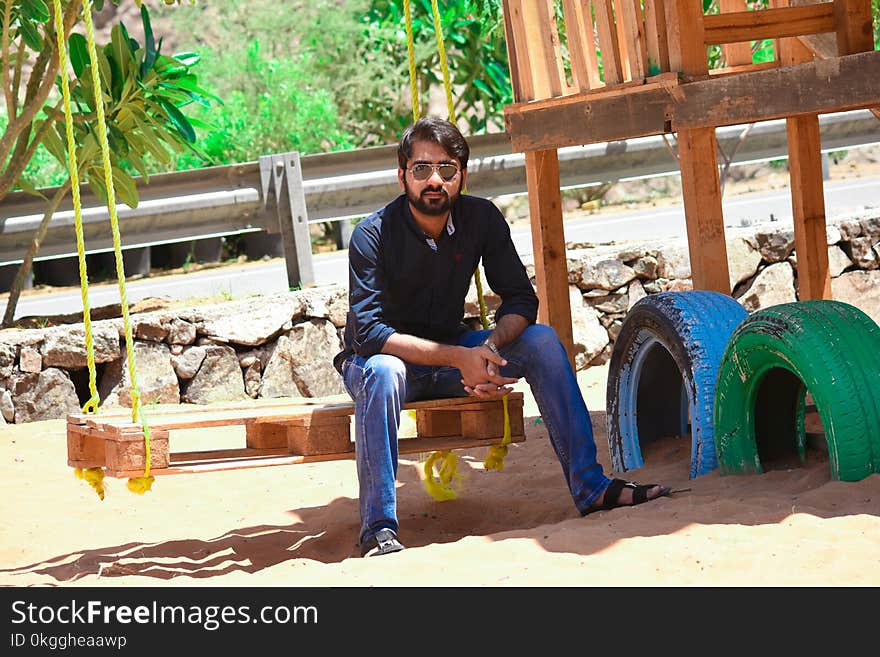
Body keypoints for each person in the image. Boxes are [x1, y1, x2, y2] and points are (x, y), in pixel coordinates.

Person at [333, 117, 670, 557]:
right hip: (385, 363)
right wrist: (460, 357)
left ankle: (591, 488)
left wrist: (487, 352)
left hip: (456, 356)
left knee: (543, 341)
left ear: (462, 176)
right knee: (384, 371)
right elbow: (372, 333)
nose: (435, 180)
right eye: (421, 169)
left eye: (447, 169)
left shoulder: (482, 219)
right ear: (402, 176)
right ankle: (379, 529)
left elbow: (519, 301)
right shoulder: (372, 234)